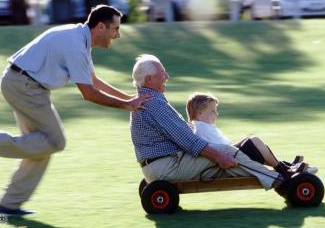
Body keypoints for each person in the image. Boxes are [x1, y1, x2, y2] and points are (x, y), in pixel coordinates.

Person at [0, 5, 151, 216]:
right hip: (25, 85)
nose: (118, 35)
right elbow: (89, 93)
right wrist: (127, 105)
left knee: (42, 144)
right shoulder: (76, 45)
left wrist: (130, 98)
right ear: (101, 27)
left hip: (23, 83)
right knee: (56, 141)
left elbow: (94, 81)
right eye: (115, 29)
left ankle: (8, 206)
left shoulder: (80, 39)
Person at [130, 54, 304, 193]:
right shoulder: (153, 103)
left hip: (161, 165)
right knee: (227, 152)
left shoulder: (146, 100)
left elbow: (179, 132)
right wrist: (219, 156)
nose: (167, 76)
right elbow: (189, 141)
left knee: (230, 150)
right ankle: (280, 181)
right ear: (149, 80)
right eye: (162, 74)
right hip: (167, 167)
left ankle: (280, 170)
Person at [185, 92, 318, 174]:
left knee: (251, 140)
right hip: (230, 161)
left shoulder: (204, 126)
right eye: (213, 111)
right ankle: (284, 169)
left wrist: (243, 141)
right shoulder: (202, 129)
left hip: (231, 156)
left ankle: (285, 166)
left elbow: (224, 146)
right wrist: (246, 142)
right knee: (253, 141)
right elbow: (223, 149)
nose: (217, 114)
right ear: (200, 113)